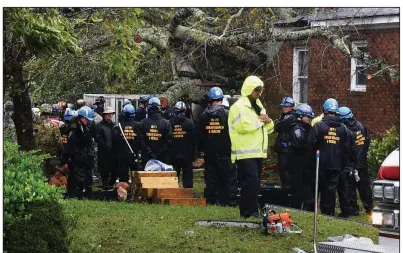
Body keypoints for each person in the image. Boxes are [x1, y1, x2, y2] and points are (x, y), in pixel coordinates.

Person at [228, 76, 275, 217]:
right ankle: (249, 212)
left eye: (260, 90)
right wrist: (262, 120)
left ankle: (252, 210)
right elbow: (243, 126)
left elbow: (269, 128)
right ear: (249, 89)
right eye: (256, 90)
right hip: (244, 152)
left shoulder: (259, 106)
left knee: (255, 184)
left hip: (258, 152)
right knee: (250, 183)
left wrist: (268, 121)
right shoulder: (238, 107)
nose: (259, 92)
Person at [308, 98, 356, 216]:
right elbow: (347, 149)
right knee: (331, 190)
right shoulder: (343, 129)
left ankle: (314, 211)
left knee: (318, 188)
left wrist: (311, 162)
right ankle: (328, 213)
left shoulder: (318, 126)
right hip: (336, 165)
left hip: (320, 164)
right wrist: (342, 164)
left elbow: (310, 145)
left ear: (324, 110)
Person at [199, 87, 237, 206]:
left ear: (210, 100)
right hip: (226, 151)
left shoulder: (203, 116)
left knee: (211, 178)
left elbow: (200, 135)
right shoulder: (228, 114)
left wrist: (202, 150)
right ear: (221, 99)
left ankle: (212, 201)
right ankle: (229, 202)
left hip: (209, 153)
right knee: (229, 179)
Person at [338, 106, 373, 216]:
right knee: (364, 186)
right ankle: (369, 207)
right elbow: (367, 142)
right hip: (362, 162)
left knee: (350, 187)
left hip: (351, 163)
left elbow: (347, 148)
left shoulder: (346, 130)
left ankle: (353, 209)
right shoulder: (362, 126)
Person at [288, 104, 315, 211]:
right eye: (307, 117)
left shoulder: (309, 128)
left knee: (308, 189)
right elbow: (300, 144)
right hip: (297, 166)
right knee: (297, 191)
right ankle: (296, 209)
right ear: (300, 116)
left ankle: (308, 208)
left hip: (307, 166)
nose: (309, 119)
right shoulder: (296, 128)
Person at [65, 106, 95, 198]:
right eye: (86, 119)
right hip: (76, 156)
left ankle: (82, 191)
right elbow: (70, 145)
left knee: (84, 175)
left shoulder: (85, 127)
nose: (88, 121)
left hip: (83, 155)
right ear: (81, 117)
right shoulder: (74, 129)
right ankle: (74, 193)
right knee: (75, 176)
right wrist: (69, 158)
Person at [138, 97, 172, 169]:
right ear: (159, 107)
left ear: (149, 108)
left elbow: (140, 140)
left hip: (147, 157)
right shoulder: (166, 123)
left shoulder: (142, 123)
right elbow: (168, 141)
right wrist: (160, 151)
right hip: (162, 158)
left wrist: (149, 151)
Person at [169, 101, 197, 188]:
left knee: (174, 174)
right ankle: (187, 191)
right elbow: (194, 139)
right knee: (187, 173)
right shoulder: (190, 123)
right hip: (186, 153)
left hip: (174, 153)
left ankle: (173, 190)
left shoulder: (170, 123)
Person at [112, 104, 140, 183]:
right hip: (134, 155)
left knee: (123, 179)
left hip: (121, 156)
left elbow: (114, 142)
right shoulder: (138, 126)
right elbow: (140, 141)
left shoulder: (117, 127)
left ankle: (123, 194)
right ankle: (135, 194)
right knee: (135, 178)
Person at [34, 103, 63, 178]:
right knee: (54, 177)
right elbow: (59, 142)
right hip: (52, 155)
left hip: (39, 155)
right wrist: (62, 153)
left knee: (40, 177)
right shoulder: (54, 126)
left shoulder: (34, 125)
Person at [273, 96, 297, 188]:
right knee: (283, 171)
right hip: (283, 148)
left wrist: (278, 124)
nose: (284, 108)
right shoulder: (286, 116)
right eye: (283, 106)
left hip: (286, 149)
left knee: (286, 171)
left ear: (291, 107)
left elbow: (278, 127)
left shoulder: (290, 116)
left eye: (286, 106)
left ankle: (287, 191)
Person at [95, 106, 117, 191]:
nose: (109, 116)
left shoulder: (115, 125)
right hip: (103, 153)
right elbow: (98, 139)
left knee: (115, 171)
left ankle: (110, 186)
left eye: (110, 114)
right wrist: (105, 147)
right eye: (107, 114)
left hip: (114, 152)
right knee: (104, 172)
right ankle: (105, 188)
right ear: (104, 115)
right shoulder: (99, 126)